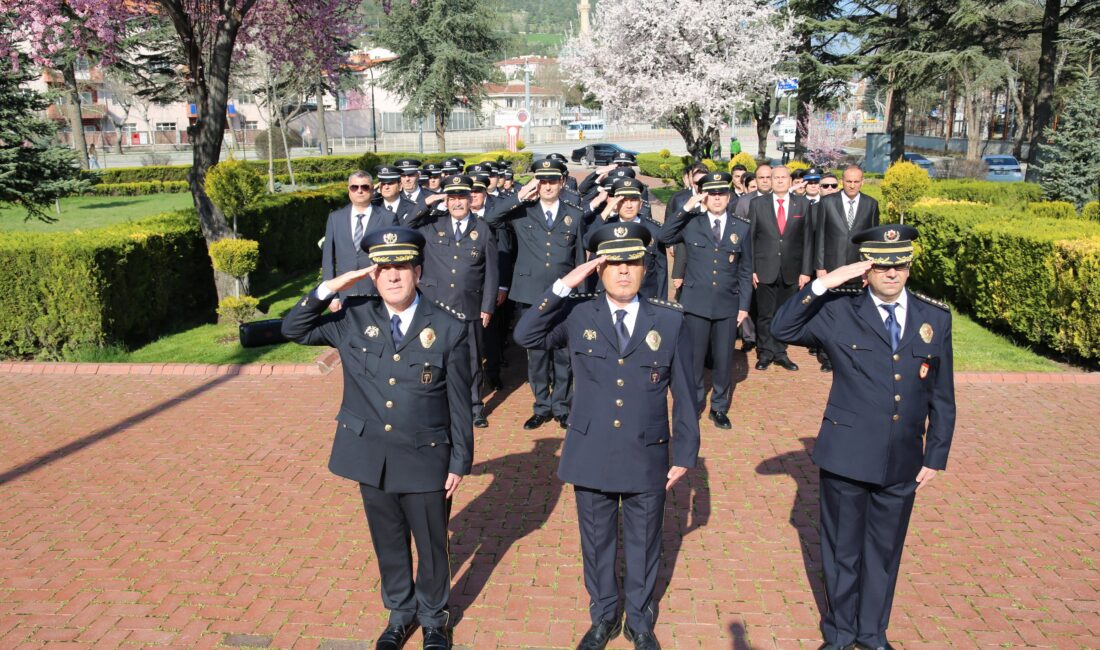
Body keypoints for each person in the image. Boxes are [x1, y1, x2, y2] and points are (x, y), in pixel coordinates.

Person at [282, 227, 473, 650]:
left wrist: (460, 460)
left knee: (431, 544)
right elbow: (294, 328)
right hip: (372, 456)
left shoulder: (448, 326)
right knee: (388, 541)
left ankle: (434, 618)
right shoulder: (352, 318)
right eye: (384, 269)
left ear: (417, 272)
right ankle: (400, 613)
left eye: (401, 268)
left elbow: (461, 401)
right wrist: (332, 286)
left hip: (426, 455)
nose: (392, 277)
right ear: (373, 275)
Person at [513, 222, 700, 650]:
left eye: (631, 262)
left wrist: (685, 452)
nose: (622, 271)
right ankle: (603, 616)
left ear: (645, 267)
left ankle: (639, 620)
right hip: (591, 449)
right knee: (597, 543)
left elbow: (686, 393)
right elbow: (527, 335)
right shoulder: (578, 313)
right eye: (612, 262)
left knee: (644, 541)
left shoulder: (669, 321)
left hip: (646, 450)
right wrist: (564, 284)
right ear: (598, 269)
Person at [771, 224, 955, 650]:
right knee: (842, 551)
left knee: (885, 552)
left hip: (903, 457)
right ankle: (839, 633)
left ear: (909, 267)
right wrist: (826, 283)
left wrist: (936, 453)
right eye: (882, 266)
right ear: (866, 270)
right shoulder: (838, 310)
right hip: (847, 454)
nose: (892, 274)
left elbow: (941, 393)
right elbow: (781, 329)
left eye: (900, 265)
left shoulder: (934, 317)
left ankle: (872, 633)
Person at [484, 158, 586, 430]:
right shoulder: (522, 211)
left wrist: (581, 296)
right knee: (537, 355)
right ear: (535, 182)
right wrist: (519, 195)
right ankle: (542, 406)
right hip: (530, 295)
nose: (548, 185)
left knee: (564, 355)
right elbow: (489, 217)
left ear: (562, 182)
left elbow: (578, 258)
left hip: (564, 294)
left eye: (553, 180)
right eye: (542, 180)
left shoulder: (574, 213)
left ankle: (562, 407)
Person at [658, 171, 752, 429]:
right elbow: (664, 236)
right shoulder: (692, 223)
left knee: (723, 361)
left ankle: (719, 408)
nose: (718, 198)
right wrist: (687, 207)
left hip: (726, 304)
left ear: (729, 195)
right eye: (712, 193)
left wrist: (744, 306)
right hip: (696, 303)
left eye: (722, 193)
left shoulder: (741, 226)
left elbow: (745, 270)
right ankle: (694, 404)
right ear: (704, 196)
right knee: (694, 360)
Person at [414, 174, 499, 429]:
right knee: (433, 358)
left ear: (470, 199)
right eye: (451, 198)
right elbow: (403, 222)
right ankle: (435, 405)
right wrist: (429, 201)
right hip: (436, 306)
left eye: (461, 197)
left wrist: (487, 306)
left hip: (469, 307)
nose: (457, 203)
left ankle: (475, 407)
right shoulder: (432, 225)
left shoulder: (482, 229)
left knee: (473, 360)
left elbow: (492, 273)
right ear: (446, 200)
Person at [814, 165, 880, 372]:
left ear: (862, 182)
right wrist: (820, 266)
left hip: (857, 269)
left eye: (856, 181)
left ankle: (850, 356)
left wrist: (869, 269)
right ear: (843, 181)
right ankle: (827, 357)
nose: (852, 185)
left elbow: (872, 241)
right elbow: (820, 236)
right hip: (831, 267)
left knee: (855, 314)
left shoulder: (871, 204)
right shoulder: (827, 202)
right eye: (848, 181)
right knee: (830, 312)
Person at [748, 165, 812, 371]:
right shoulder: (758, 204)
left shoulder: (802, 204)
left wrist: (805, 271)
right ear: (770, 181)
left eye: (784, 177)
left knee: (784, 314)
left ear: (790, 180)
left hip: (792, 269)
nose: (780, 181)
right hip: (764, 267)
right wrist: (751, 269)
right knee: (765, 314)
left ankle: (781, 352)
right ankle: (766, 352)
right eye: (776, 178)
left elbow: (808, 240)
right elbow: (750, 239)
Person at [321, 171, 399, 311]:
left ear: (372, 189)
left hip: (377, 291)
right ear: (349, 190)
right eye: (354, 187)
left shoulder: (388, 218)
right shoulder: (335, 218)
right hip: (344, 292)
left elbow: (395, 258)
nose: (360, 191)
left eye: (364, 187)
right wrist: (332, 296)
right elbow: (328, 259)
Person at [590, 177, 668, 299]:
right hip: (609, 296)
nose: (629, 205)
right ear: (615, 204)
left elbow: (661, 269)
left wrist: (661, 303)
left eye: (633, 200)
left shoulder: (654, 229)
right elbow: (588, 247)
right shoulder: (605, 228)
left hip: (644, 297)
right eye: (623, 200)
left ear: (641, 203)